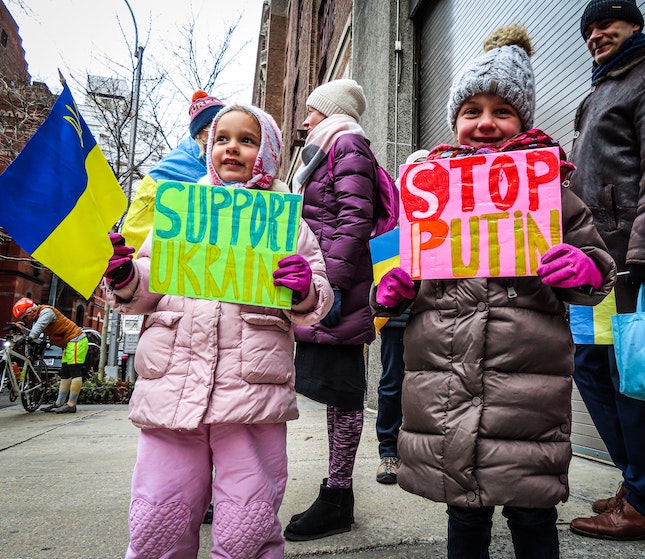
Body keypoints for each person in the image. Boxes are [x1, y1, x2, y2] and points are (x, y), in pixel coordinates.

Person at [371, 25, 617, 559]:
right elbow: (396, 278)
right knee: (465, 513)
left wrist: (585, 270)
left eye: (502, 111)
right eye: (471, 111)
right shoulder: (428, 194)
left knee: (533, 515)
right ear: (454, 121)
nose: (486, 123)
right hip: (448, 386)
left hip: (526, 395)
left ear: (524, 121)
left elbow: (598, 267)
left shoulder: (554, 192)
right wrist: (390, 291)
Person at [102, 102, 333, 559]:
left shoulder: (286, 220)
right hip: (173, 384)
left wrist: (304, 291)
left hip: (249, 395)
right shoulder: (179, 211)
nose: (232, 147)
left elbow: (318, 294)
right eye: (222, 137)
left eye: (247, 140)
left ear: (266, 153)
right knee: (156, 517)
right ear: (208, 148)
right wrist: (127, 279)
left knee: (247, 521)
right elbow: (149, 280)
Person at [282, 79, 378, 541]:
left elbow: (355, 217)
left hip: (338, 288)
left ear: (333, 112)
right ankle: (337, 492)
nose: (305, 120)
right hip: (322, 283)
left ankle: (338, 495)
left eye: (311, 111)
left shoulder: (347, 144)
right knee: (334, 391)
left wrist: (333, 286)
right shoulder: (327, 149)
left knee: (343, 393)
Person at [566, 0, 645, 540]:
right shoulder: (597, 93)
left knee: (630, 381)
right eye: (588, 30)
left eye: (606, 25)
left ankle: (640, 500)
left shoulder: (642, 81)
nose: (596, 35)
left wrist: (639, 259)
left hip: (629, 264)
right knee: (592, 369)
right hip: (597, 265)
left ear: (635, 25)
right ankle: (636, 484)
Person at [374, 148, 429, 486]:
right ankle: (388, 452)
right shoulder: (391, 219)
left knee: (429, 384)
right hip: (396, 315)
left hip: (435, 314)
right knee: (393, 383)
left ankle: (421, 452)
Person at [121, 90, 225, 254]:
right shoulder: (196, 156)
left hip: (160, 200)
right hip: (154, 198)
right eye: (214, 126)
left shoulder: (206, 152)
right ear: (201, 132)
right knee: (139, 253)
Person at [12, 297, 88, 414]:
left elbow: (38, 328)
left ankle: (71, 404)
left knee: (74, 372)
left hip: (76, 340)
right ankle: (59, 403)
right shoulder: (40, 316)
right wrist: (23, 330)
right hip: (69, 344)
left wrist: (30, 336)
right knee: (65, 374)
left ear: (29, 311)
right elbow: (35, 331)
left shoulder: (46, 312)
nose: (25, 319)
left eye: (24, 316)